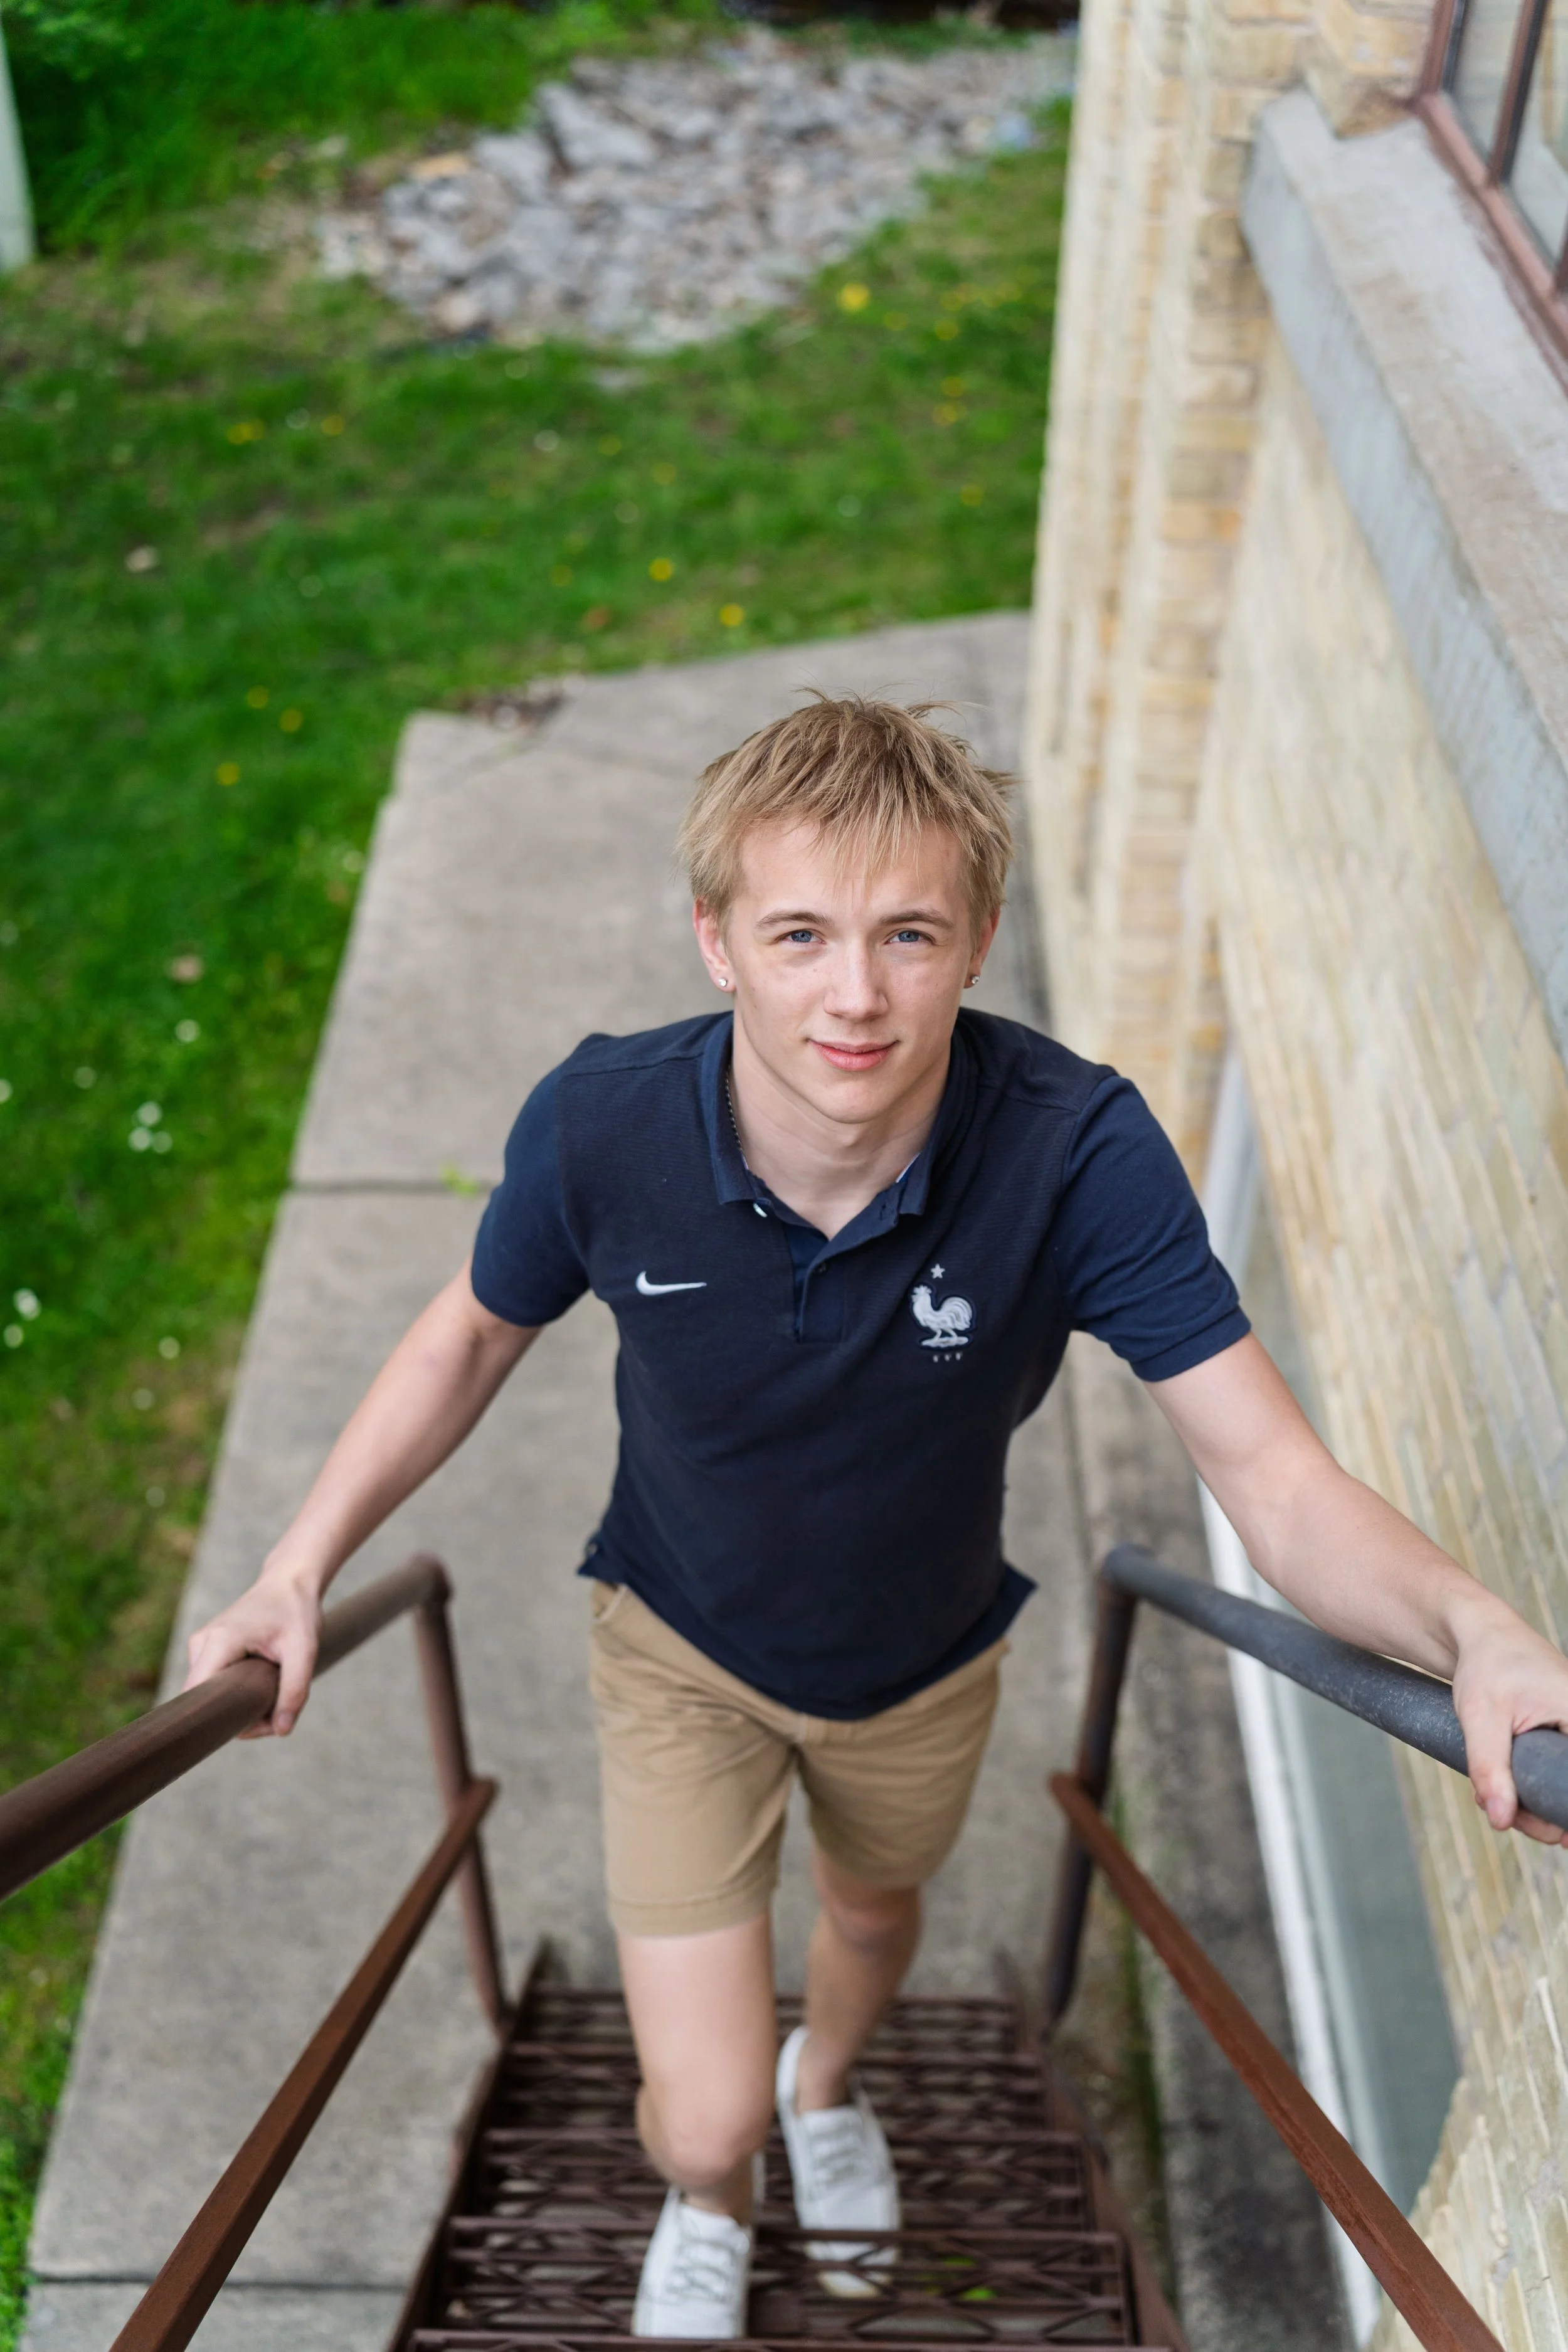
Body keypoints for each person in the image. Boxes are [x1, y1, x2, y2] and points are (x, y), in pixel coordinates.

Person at [186, 696, 1568, 2338]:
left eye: (908, 932)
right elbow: (471, 1329)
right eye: (799, 932)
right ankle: (713, 2186)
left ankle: (825, 2090)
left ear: (977, 936)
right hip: (677, 1644)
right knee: (694, 2115)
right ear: (714, 938)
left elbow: (1267, 1475)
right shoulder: (603, 1124)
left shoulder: (1077, 1152)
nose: (854, 992)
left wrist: (1479, 1631)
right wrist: (296, 1565)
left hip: (921, 1658)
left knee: (866, 1913)